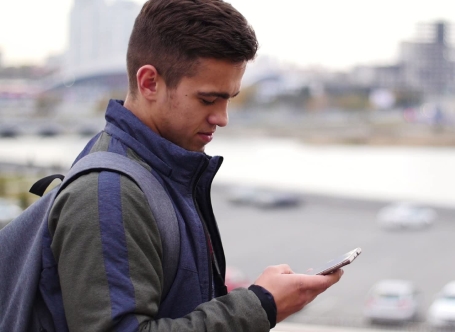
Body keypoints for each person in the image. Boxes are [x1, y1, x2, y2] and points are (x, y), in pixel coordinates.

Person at [43, 0, 343, 331]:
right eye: (207, 99)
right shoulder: (108, 194)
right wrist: (261, 305)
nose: (222, 118)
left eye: (228, 98)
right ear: (149, 83)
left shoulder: (161, 170)